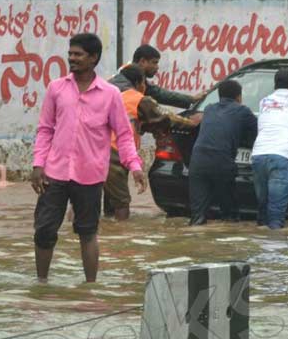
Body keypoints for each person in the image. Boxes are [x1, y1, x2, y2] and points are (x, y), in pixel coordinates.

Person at [31, 32, 146, 283]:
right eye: (70, 53)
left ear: (93, 58)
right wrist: (38, 164)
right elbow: (45, 129)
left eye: (78, 54)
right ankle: (41, 284)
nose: (72, 58)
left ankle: (90, 288)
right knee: (44, 230)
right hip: (55, 172)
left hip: (90, 175)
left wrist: (135, 166)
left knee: (87, 232)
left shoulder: (110, 94)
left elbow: (124, 135)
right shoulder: (56, 88)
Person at [104, 65, 195, 221]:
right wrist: (192, 123)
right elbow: (166, 118)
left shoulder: (109, 93)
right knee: (122, 203)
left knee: (84, 199)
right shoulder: (139, 99)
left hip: (91, 149)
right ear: (140, 83)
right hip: (114, 153)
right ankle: (119, 238)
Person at [250, 68, 288, 230]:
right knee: (276, 215)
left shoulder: (264, 102)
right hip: (282, 158)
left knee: (263, 211)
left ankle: (260, 250)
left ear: (275, 84)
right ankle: (275, 252)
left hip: (258, 157)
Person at [189, 79, 258, 225]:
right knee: (230, 215)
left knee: (197, 215)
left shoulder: (208, 109)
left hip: (197, 161)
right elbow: (258, 133)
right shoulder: (243, 111)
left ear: (219, 96)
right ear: (239, 97)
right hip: (221, 162)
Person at [109, 44, 206, 109]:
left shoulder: (135, 80)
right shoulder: (123, 85)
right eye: (154, 63)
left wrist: (191, 99)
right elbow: (151, 110)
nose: (157, 67)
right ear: (142, 61)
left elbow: (159, 94)